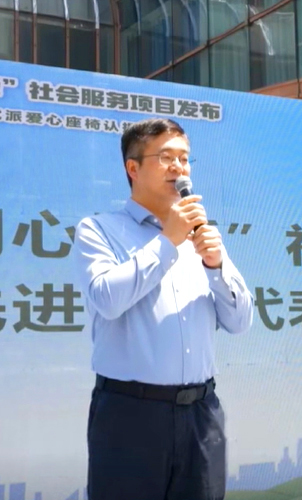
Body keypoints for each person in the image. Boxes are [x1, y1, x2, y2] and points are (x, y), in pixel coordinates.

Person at [71, 117, 254, 500]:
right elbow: (106, 299)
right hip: (130, 414)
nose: (179, 168)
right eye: (166, 157)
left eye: (185, 159)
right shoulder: (98, 230)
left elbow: (240, 321)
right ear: (133, 168)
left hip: (201, 413)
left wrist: (216, 265)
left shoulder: (201, 235)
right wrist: (168, 240)